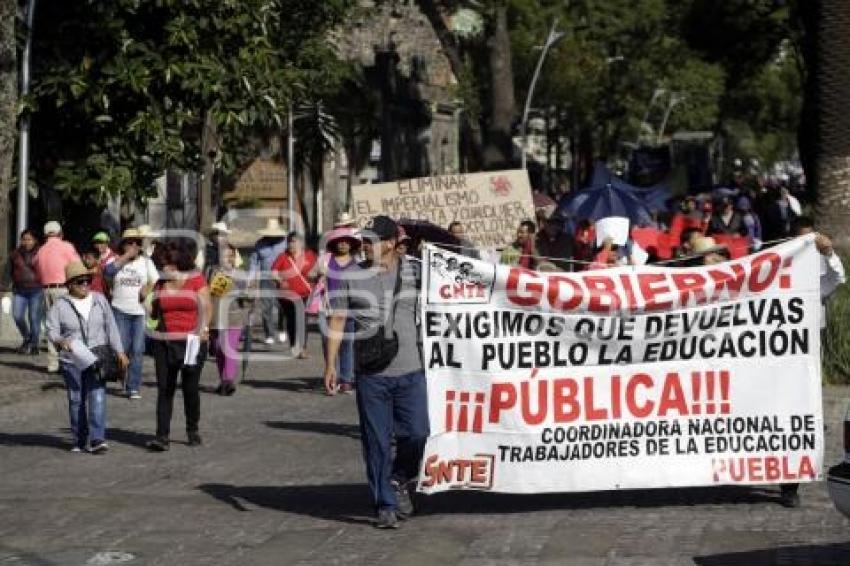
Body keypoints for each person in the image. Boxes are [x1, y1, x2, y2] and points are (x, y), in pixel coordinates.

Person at [324, 215, 428, 529]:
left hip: (412, 370)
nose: (365, 246)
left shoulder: (416, 271)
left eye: (371, 241)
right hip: (371, 375)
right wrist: (330, 365)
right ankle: (384, 503)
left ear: (390, 243)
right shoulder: (349, 276)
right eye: (363, 241)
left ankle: (398, 478)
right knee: (377, 442)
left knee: (418, 434)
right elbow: (338, 320)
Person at [779, 217, 846, 508]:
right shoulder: (778, 271)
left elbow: (838, 278)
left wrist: (828, 253)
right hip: (780, 352)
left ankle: (791, 483)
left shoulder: (819, 273)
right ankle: (785, 480)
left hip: (808, 350)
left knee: (802, 412)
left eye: (812, 241)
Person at [46, 261, 128, 453]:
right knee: (76, 399)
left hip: (97, 356)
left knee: (98, 397)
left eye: (87, 280)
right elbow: (52, 329)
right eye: (79, 281)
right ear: (69, 284)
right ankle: (79, 439)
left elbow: (111, 327)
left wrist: (120, 351)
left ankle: (97, 439)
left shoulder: (100, 299)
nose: (85, 284)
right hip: (72, 359)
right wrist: (59, 341)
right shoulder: (60, 305)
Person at [146, 241, 211, 451]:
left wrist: (203, 329)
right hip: (165, 342)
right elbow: (154, 313)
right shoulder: (160, 284)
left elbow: (207, 307)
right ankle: (162, 436)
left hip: (192, 340)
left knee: (190, 388)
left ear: (178, 264)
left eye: (167, 266)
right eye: (161, 267)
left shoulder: (196, 280)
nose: (164, 271)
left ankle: (192, 429)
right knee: (165, 388)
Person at [102, 228, 160, 399]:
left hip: (139, 312)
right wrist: (126, 256)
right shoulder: (116, 260)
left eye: (136, 242)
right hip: (119, 309)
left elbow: (156, 281)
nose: (133, 245)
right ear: (124, 245)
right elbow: (107, 273)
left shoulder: (146, 262)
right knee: (122, 349)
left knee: (138, 349)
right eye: (130, 242)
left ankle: (132, 386)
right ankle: (122, 375)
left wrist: (147, 288)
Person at [317, 226, 360, 395]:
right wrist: (318, 275)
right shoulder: (326, 259)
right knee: (329, 344)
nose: (343, 244)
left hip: (349, 308)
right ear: (334, 243)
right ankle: (331, 377)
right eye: (339, 241)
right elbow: (311, 275)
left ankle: (346, 380)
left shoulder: (358, 262)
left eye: (346, 241)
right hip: (327, 307)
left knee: (348, 344)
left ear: (351, 244)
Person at [34, 221, 81, 373]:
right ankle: (70, 359)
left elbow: (36, 268)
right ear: (60, 233)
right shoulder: (67, 247)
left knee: (52, 325)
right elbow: (77, 267)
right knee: (69, 325)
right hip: (63, 289)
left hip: (46, 290)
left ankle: (53, 363)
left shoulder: (40, 251)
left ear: (45, 235)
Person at [209, 243, 252, 396]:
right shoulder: (212, 272)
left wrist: (247, 292)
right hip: (216, 319)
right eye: (224, 256)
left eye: (230, 256)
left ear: (234, 257)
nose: (227, 259)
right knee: (219, 350)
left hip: (234, 318)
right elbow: (213, 293)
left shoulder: (240, 274)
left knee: (229, 350)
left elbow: (248, 297)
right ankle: (223, 380)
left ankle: (228, 381)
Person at [271, 231, 317, 358]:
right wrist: (279, 280)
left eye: (294, 241)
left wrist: (317, 274)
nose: (291, 245)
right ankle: (293, 346)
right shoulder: (283, 257)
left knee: (302, 320)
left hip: (305, 294)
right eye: (289, 242)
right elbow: (273, 272)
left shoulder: (309, 255)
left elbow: (316, 269)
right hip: (287, 296)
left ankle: (302, 348)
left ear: (301, 243)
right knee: (291, 320)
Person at [248, 219, 289, 346]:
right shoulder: (260, 244)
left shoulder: (286, 243)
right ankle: (269, 333)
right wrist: (251, 279)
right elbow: (254, 262)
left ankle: (282, 328)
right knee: (266, 307)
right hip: (265, 278)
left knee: (283, 306)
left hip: (282, 278)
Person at [3, 229, 43, 355]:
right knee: (17, 316)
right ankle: (27, 338)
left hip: (37, 289)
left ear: (35, 240)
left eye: (29, 239)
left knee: (34, 318)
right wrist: (3, 288)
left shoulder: (41, 253)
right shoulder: (14, 254)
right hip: (19, 290)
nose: (26, 242)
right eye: (24, 239)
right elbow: (7, 273)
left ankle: (35, 344)